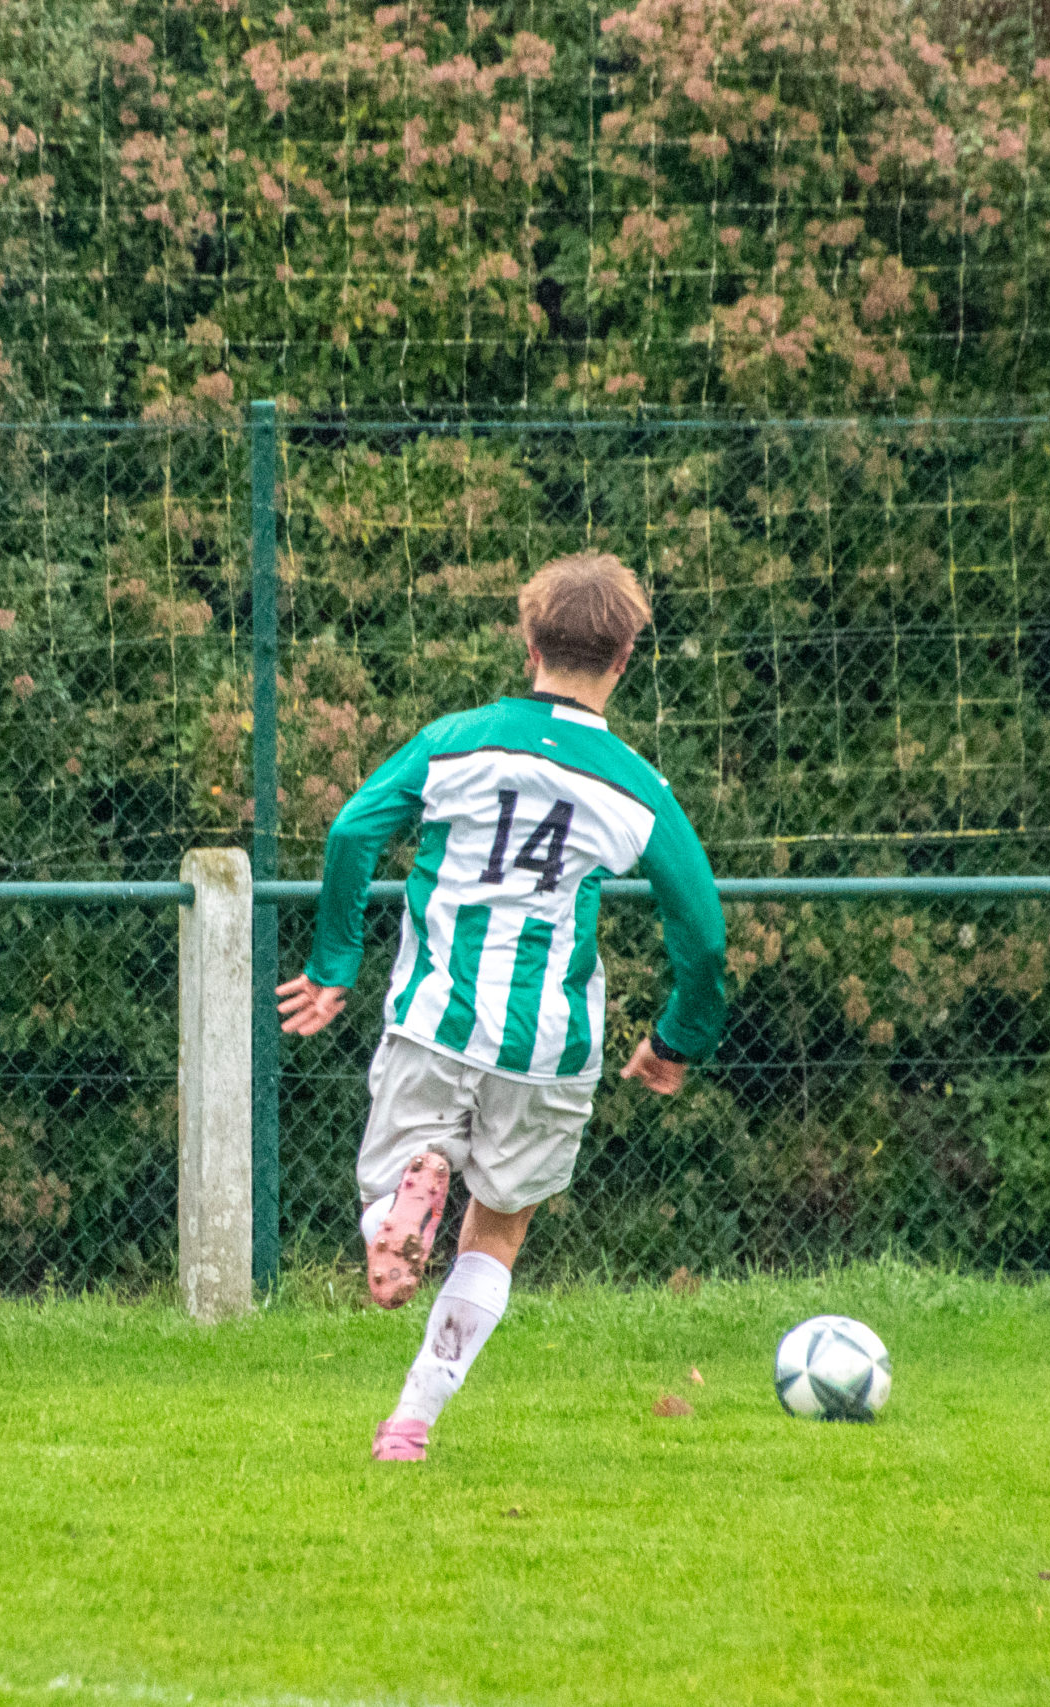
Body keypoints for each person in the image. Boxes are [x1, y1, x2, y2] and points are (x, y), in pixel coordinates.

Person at [274, 551, 728, 1463]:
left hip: (436, 1013)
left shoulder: (456, 741)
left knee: (386, 1184)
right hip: (550, 1044)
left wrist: (333, 962)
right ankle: (411, 1421)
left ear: (529, 643)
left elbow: (353, 828)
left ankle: (408, 1198)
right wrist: (677, 1036)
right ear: (624, 658)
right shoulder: (636, 787)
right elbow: (703, 933)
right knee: (498, 1230)